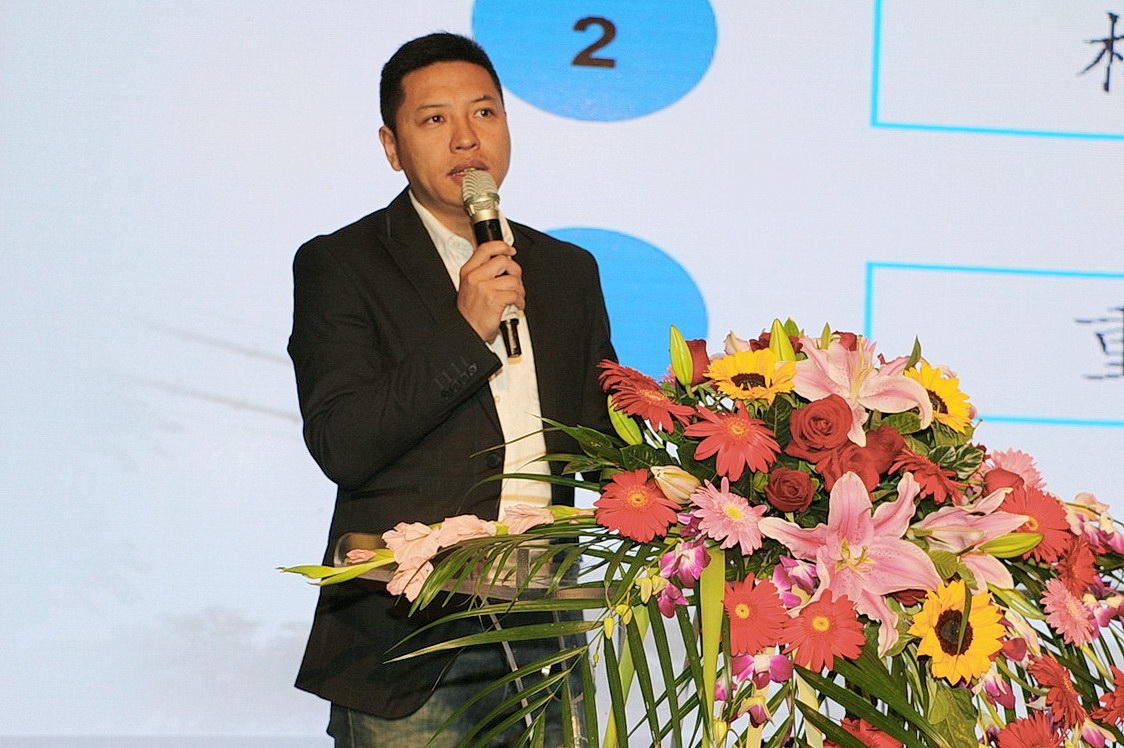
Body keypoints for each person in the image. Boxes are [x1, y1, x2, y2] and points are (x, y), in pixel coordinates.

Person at [286, 32, 616, 747]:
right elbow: (343, 443)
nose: (466, 138)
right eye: (434, 118)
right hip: (406, 633)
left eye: (484, 113)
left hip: (547, 627)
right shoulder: (341, 264)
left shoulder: (567, 269)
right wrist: (466, 330)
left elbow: (600, 444)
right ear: (392, 146)